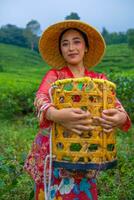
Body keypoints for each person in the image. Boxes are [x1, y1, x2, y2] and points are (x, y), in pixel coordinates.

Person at [24, 20, 131, 200]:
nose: (71, 48)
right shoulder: (55, 76)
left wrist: (119, 118)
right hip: (54, 151)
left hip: (86, 154)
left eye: (76, 41)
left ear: (86, 47)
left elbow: (117, 107)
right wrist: (56, 114)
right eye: (65, 44)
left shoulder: (98, 80)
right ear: (61, 50)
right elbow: (40, 99)